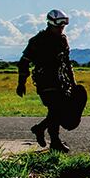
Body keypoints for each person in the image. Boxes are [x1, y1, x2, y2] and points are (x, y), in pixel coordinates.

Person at [16, 9, 78, 152]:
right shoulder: (38, 40)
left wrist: (73, 83)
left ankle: (41, 129)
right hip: (45, 82)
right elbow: (24, 62)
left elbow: (67, 63)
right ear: (50, 23)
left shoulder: (63, 39)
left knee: (57, 111)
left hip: (61, 82)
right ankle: (54, 140)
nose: (61, 28)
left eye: (63, 26)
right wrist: (21, 83)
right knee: (56, 108)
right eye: (59, 26)